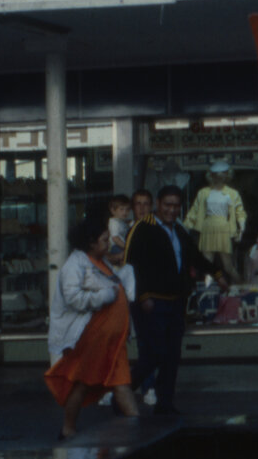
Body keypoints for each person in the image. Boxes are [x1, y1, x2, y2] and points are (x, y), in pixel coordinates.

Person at [45, 210, 139, 439]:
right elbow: (73, 298)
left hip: (112, 340)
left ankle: (139, 431)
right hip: (92, 338)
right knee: (82, 382)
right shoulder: (75, 265)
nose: (108, 244)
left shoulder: (100, 260)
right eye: (105, 240)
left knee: (121, 383)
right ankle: (68, 428)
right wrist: (102, 297)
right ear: (90, 242)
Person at [125, 184, 208, 416]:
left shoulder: (178, 231)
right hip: (151, 303)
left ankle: (165, 403)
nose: (172, 210)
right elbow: (131, 265)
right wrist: (143, 295)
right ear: (158, 206)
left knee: (172, 354)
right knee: (155, 353)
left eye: (176, 206)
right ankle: (123, 392)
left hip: (175, 302)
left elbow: (195, 256)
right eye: (167, 205)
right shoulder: (143, 228)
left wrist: (218, 274)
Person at [121, 187, 158, 404]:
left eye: (146, 203)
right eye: (138, 204)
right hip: (135, 295)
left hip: (151, 295)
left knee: (151, 343)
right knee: (143, 342)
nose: (142, 208)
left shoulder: (156, 229)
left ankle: (147, 385)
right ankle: (145, 385)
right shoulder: (129, 230)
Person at [184, 161, 246, 284]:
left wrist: (241, 229)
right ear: (211, 175)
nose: (219, 177)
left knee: (228, 266)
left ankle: (241, 286)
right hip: (208, 227)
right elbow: (194, 212)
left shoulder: (232, 194)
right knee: (208, 264)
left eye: (222, 174)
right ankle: (208, 294)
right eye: (216, 174)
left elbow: (240, 212)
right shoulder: (203, 193)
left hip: (223, 228)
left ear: (226, 175)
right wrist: (184, 228)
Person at [106, 193, 133, 270]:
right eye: (121, 209)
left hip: (120, 245)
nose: (125, 212)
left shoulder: (121, 221)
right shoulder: (114, 222)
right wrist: (126, 247)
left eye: (127, 209)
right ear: (113, 211)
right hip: (115, 246)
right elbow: (115, 238)